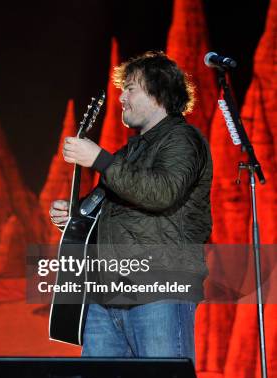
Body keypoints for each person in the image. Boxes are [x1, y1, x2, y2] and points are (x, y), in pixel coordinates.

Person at [49, 51, 212, 360]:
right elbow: (112, 208)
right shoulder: (129, 152)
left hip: (160, 290)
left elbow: (161, 192)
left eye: (130, 88)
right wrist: (75, 215)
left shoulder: (182, 139)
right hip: (107, 295)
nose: (121, 97)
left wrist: (99, 159)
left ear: (158, 92)